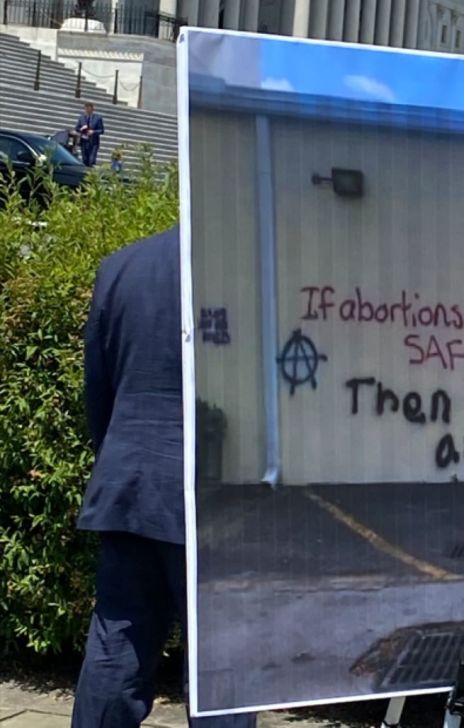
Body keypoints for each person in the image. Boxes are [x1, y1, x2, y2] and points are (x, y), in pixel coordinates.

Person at [71, 226, 255, 728]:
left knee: (117, 646)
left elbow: (99, 386)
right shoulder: (251, 267)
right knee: (221, 664)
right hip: (217, 497)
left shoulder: (121, 267)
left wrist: (120, 456)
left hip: (130, 484)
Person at [75, 101, 104, 167]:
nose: (87, 110)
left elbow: (101, 130)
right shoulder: (82, 117)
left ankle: (91, 174)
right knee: (85, 160)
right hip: (84, 141)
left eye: (89, 109)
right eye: (86, 109)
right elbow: (77, 128)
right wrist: (81, 129)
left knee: (91, 160)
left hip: (93, 142)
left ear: (92, 109)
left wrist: (93, 132)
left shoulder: (98, 118)